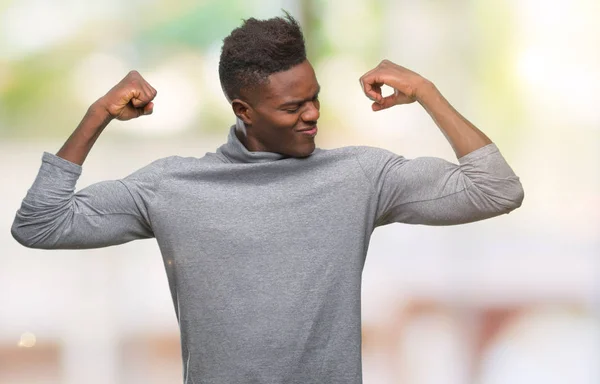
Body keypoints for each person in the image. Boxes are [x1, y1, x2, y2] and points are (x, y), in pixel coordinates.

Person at [11, 13, 523, 384]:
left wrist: (427, 92)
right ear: (244, 110)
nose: (311, 115)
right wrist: (98, 113)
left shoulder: (360, 176)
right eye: (292, 106)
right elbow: (39, 224)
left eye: (314, 97)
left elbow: (497, 189)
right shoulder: (173, 188)